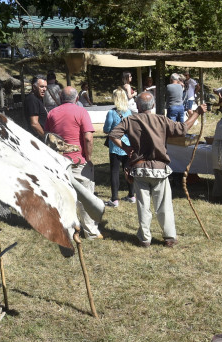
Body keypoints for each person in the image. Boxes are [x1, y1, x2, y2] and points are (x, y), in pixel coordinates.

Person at [108, 91, 205, 248]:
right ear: (152, 105)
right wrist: (197, 112)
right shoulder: (161, 119)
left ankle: (145, 239)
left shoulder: (129, 120)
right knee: (164, 206)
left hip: (139, 170)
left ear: (138, 106)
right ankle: (169, 237)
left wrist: (126, 148)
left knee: (143, 206)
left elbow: (113, 135)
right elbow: (183, 128)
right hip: (159, 170)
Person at [45, 86, 103, 239]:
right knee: (85, 196)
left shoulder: (51, 113)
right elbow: (88, 138)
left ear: (60, 98)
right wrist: (89, 159)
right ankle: (90, 231)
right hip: (78, 161)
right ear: (77, 98)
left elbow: (48, 137)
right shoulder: (81, 112)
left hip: (59, 162)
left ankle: (66, 230)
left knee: (63, 197)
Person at [102, 89, 135, 207]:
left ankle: (114, 199)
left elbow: (106, 129)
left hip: (115, 146)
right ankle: (132, 195)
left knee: (114, 172)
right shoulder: (130, 113)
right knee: (128, 170)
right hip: (127, 145)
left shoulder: (112, 113)